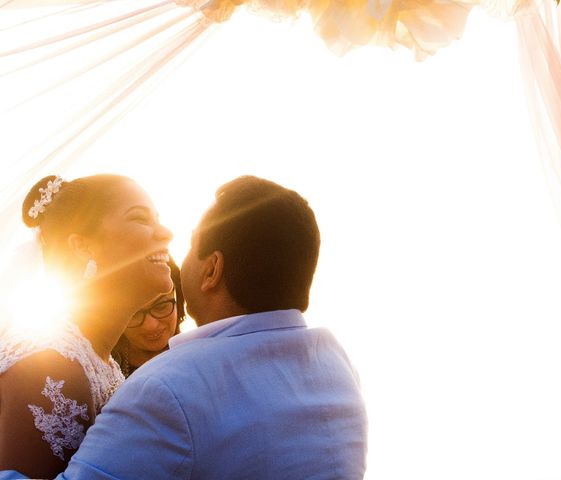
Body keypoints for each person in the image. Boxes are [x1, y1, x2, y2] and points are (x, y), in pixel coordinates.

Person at [29, 175, 366, 479]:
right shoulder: (338, 367)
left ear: (211, 271)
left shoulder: (170, 387)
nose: (167, 237)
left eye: (192, 246)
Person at [0, 174, 173, 478]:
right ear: (83, 246)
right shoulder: (50, 365)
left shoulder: (102, 361)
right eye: (140, 218)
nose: (166, 233)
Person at [112, 257, 186, 377]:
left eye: (161, 307)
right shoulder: (97, 366)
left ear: (179, 299)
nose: (150, 326)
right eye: (134, 313)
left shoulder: (200, 360)